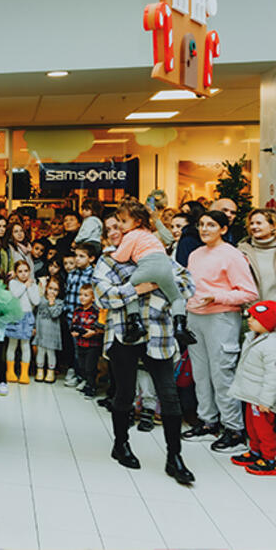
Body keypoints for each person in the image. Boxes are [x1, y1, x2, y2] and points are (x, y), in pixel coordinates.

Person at [92, 219, 197, 486]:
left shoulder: (156, 253)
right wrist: (141, 288)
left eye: (119, 227)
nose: (114, 232)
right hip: (123, 334)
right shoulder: (108, 261)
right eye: (109, 229)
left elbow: (188, 285)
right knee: (124, 393)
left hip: (159, 334)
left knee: (169, 395)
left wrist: (156, 282)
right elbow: (103, 297)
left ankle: (174, 457)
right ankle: (121, 445)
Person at [182, 210, 259, 452]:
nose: (204, 229)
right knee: (201, 374)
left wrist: (216, 296)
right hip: (195, 317)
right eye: (202, 224)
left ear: (223, 229)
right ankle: (208, 422)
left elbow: (249, 293)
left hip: (221, 318)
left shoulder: (232, 255)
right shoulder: (195, 254)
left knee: (222, 374)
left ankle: (234, 430)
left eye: (211, 225)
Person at [111, 200, 191, 344]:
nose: (120, 225)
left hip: (148, 266)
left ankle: (135, 324)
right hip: (165, 266)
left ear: (137, 222)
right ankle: (180, 326)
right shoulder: (148, 234)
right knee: (176, 297)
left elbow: (121, 257)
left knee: (129, 291)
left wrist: (111, 254)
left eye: (123, 221)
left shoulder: (131, 235)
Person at [228, 301, 276, 475]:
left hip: (262, 400)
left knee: (264, 430)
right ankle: (255, 451)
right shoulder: (253, 337)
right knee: (252, 427)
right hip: (251, 395)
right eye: (250, 316)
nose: (249, 320)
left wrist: (266, 401)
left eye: (255, 318)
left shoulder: (272, 345)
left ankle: (270, 459)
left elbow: (273, 377)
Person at [62, 242, 97, 387]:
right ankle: (77, 374)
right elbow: (68, 292)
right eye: (76, 255)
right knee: (73, 348)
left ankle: (85, 378)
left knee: (84, 351)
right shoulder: (72, 273)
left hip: (86, 319)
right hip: (71, 316)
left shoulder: (94, 275)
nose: (77, 259)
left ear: (91, 258)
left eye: (82, 256)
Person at [5, 260, 39, 384]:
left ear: (30, 271)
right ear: (16, 273)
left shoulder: (33, 285)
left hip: (27, 317)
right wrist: (25, 286)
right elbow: (15, 295)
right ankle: (10, 371)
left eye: (26, 271)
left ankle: (24, 373)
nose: (23, 274)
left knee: (25, 345)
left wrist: (29, 287)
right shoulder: (13, 283)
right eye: (20, 271)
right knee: (12, 344)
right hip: (15, 315)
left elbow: (36, 301)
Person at [70, 284, 102, 398]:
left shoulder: (96, 311)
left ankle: (91, 387)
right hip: (80, 343)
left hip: (92, 345)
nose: (82, 297)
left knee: (90, 367)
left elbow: (99, 328)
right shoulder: (77, 310)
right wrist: (74, 331)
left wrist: (93, 332)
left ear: (93, 298)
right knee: (82, 365)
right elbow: (74, 324)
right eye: (81, 295)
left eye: (86, 295)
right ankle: (86, 382)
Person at [238, 208, 276, 302]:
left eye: (259, 223)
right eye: (251, 223)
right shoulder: (242, 251)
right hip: (252, 308)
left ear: (273, 226)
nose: (254, 227)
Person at [34, 277, 64, 383]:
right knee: (40, 352)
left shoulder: (59, 303)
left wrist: (52, 304)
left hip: (52, 335)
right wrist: (34, 327)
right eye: (50, 288)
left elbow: (55, 314)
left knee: (51, 353)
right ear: (46, 288)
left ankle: (50, 372)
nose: (52, 291)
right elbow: (35, 313)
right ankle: (40, 371)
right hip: (41, 333)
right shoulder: (40, 300)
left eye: (55, 290)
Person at [175, 201, 206, 267]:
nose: (183, 215)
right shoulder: (186, 233)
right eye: (182, 212)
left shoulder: (189, 237)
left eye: (187, 212)